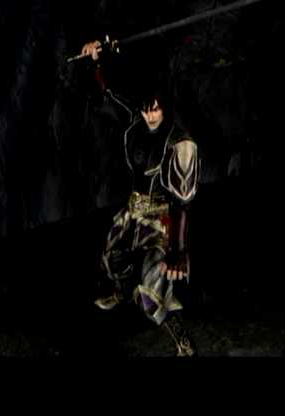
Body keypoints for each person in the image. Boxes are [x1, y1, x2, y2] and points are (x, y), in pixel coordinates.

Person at [81, 39, 200, 356]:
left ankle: (181, 341)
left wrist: (178, 248)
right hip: (133, 213)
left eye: (156, 108)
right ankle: (121, 291)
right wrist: (97, 60)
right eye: (147, 108)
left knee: (150, 294)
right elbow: (108, 94)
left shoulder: (179, 142)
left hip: (161, 222)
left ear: (165, 106)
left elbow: (183, 201)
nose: (150, 115)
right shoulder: (135, 123)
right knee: (112, 257)